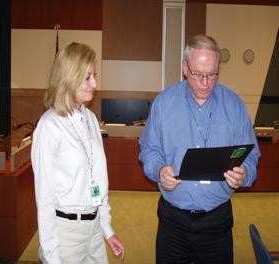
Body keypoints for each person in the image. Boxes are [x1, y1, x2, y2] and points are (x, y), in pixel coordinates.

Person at [139, 34, 260, 264]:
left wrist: (244, 173)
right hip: (173, 221)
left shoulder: (234, 105)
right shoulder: (163, 103)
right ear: (185, 68)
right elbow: (149, 148)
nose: (205, 83)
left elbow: (252, 153)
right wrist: (159, 169)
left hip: (217, 222)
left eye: (212, 75)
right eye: (198, 75)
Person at [31, 42, 125, 264]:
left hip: (93, 230)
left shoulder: (90, 119)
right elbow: (44, 199)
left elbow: (97, 180)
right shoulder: (49, 127)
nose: (95, 83)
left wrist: (106, 229)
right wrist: (53, 256)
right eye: (88, 77)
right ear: (69, 78)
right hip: (65, 235)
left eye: (95, 75)